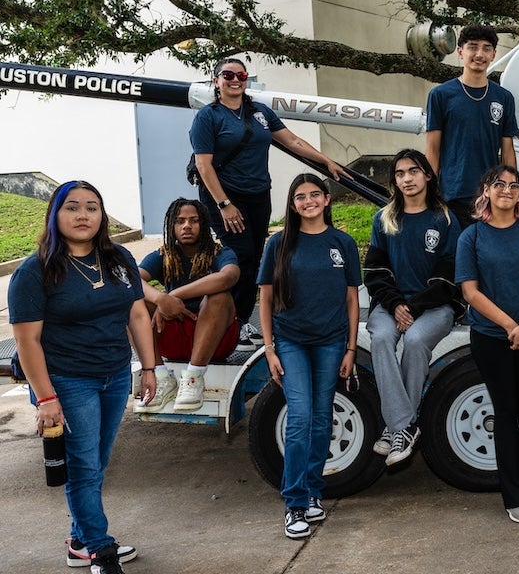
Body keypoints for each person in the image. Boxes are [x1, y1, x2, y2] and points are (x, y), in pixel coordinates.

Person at [7, 181, 157, 573]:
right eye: (72, 207)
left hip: (114, 374)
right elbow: (28, 341)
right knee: (85, 468)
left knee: (95, 462)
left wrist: (149, 367)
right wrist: (46, 398)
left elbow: (137, 314)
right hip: (67, 380)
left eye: (92, 207)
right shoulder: (34, 271)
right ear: (55, 215)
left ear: (102, 216)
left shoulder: (119, 257)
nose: (83, 215)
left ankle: (79, 541)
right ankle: (100, 550)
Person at [190, 58, 350, 351]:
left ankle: (240, 320)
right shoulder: (208, 117)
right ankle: (229, 324)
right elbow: (204, 165)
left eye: (241, 74)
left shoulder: (259, 112)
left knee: (255, 257)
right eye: (228, 75)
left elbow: (292, 140)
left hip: (258, 194)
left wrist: (326, 160)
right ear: (216, 81)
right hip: (224, 197)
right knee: (239, 256)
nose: (235, 79)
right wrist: (225, 204)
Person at [256, 174, 362, 538]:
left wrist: (350, 347)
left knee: (320, 419)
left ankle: (314, 493)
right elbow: (266, 299)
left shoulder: (342, 242)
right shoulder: (279, 244)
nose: (308, 201)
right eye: (300, 197)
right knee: (300, 418)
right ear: (293, 204)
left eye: (314, 194)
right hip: (291, 342)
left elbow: (351, 299)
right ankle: (295, 503)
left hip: (332, 343)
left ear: (327, 199)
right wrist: (269, 349)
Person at [455, 165, 519, 525]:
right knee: (506, 412)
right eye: (499, 184)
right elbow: (470, 292)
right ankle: (515, 497)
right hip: (491, 337)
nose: (507, 190)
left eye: (515, 186)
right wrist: (511, 326)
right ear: (486, 190)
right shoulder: (472, 237)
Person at [365, 149, 462, 466]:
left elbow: (450, 278)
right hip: (391, 305)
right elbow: (375, 274)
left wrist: (414, 306)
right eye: (400, 173)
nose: (406, 178)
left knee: (417, 340)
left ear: (428, 175)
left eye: (414, 171)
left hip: (434, 305)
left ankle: (394, 428)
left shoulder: (445, 219)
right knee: (380, 339)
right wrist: (396, 306)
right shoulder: (385, 219)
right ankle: (404, 426)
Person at [136, 198, 241, 413]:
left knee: (219, 296)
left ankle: (194, 377)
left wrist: (173, 295)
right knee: (134, 301)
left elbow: (228, 277)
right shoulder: (163, 255)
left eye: (194, 221)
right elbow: (130, 279)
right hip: (173, 338)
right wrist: (159, 299)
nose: (186, 226)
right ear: (171, 226)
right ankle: (161, 377)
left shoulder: (220, 252)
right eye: (180, 221)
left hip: (214, 342)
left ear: (203, 225)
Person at [425, 24, 518, 227]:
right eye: (472, 47)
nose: (479, 54)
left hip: (490, 195)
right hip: (452, 194)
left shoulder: (503, 98)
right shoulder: (441, 95)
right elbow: (432, 149)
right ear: (460, 52)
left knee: (486, 256)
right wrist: (429, 191)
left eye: (486, 48)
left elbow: (508, 149)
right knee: (455, 256)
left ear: (493, 54)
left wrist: (511, 189)